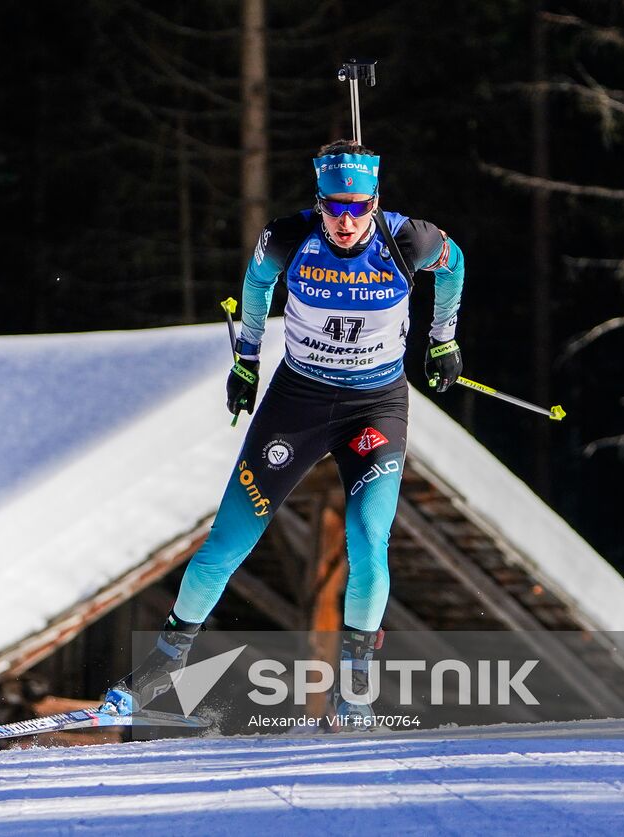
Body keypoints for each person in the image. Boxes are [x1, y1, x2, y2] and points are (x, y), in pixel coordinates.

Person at [102, 139, 466, 726]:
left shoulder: (409, 242)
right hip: (298, 402)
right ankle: (161, 666)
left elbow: (456, 266)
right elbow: (254, 286)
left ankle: (355, 692)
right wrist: (246, 360)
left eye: (357, 207)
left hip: (374, 407)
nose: (345, 221)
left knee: (369, 540)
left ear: (375, 202)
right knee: (226, 542)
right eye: (333, 208)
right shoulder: (287, 238)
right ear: (317, 202)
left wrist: (443, 337)